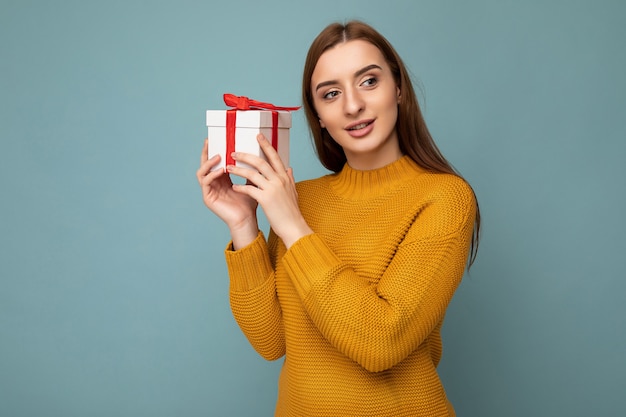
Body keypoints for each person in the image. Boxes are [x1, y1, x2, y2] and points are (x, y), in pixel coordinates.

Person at [197, 20, 480, 417]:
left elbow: (381, 342)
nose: (352, 105)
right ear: (318, 116)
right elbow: (272, 341)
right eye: (331, 93)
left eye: (368, 81)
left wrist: (293, 227)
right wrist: (245, 226)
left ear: (398, 89)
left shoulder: (444, 198)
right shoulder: (301, 199)